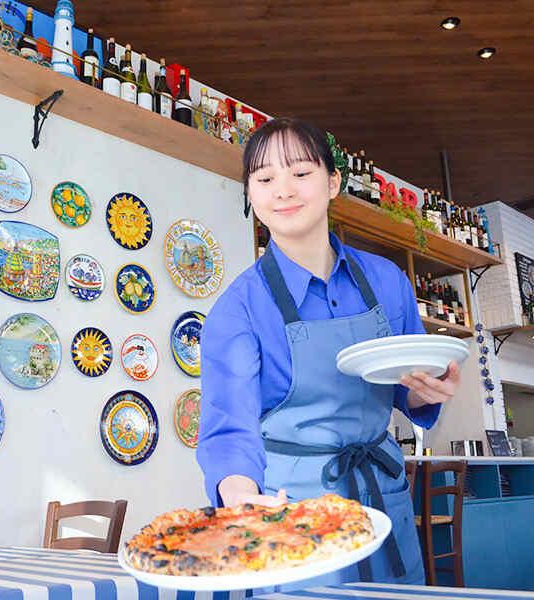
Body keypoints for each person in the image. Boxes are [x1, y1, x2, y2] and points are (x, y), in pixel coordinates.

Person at [196, 117, 460, 587]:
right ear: (251, 194)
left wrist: (427, 390)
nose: (283, 190)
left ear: (333, 182)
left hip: (384, 503)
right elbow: (229, 427)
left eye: (300, 173)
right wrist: (239, 495)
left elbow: (406, 386)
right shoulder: (238, 310)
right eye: (265, 179)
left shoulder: (388, 281)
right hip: (293, 515)